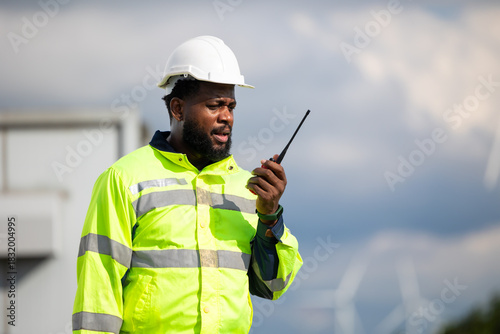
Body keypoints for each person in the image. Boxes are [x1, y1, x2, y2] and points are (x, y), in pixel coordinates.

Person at [72, 35, 302, 334]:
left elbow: (273, 285)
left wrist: (270, 216)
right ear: (178, 109)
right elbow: (97, 289)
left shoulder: (247, 189)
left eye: (231, 106)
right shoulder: (125, 178)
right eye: (214, 105)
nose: (227, 117)